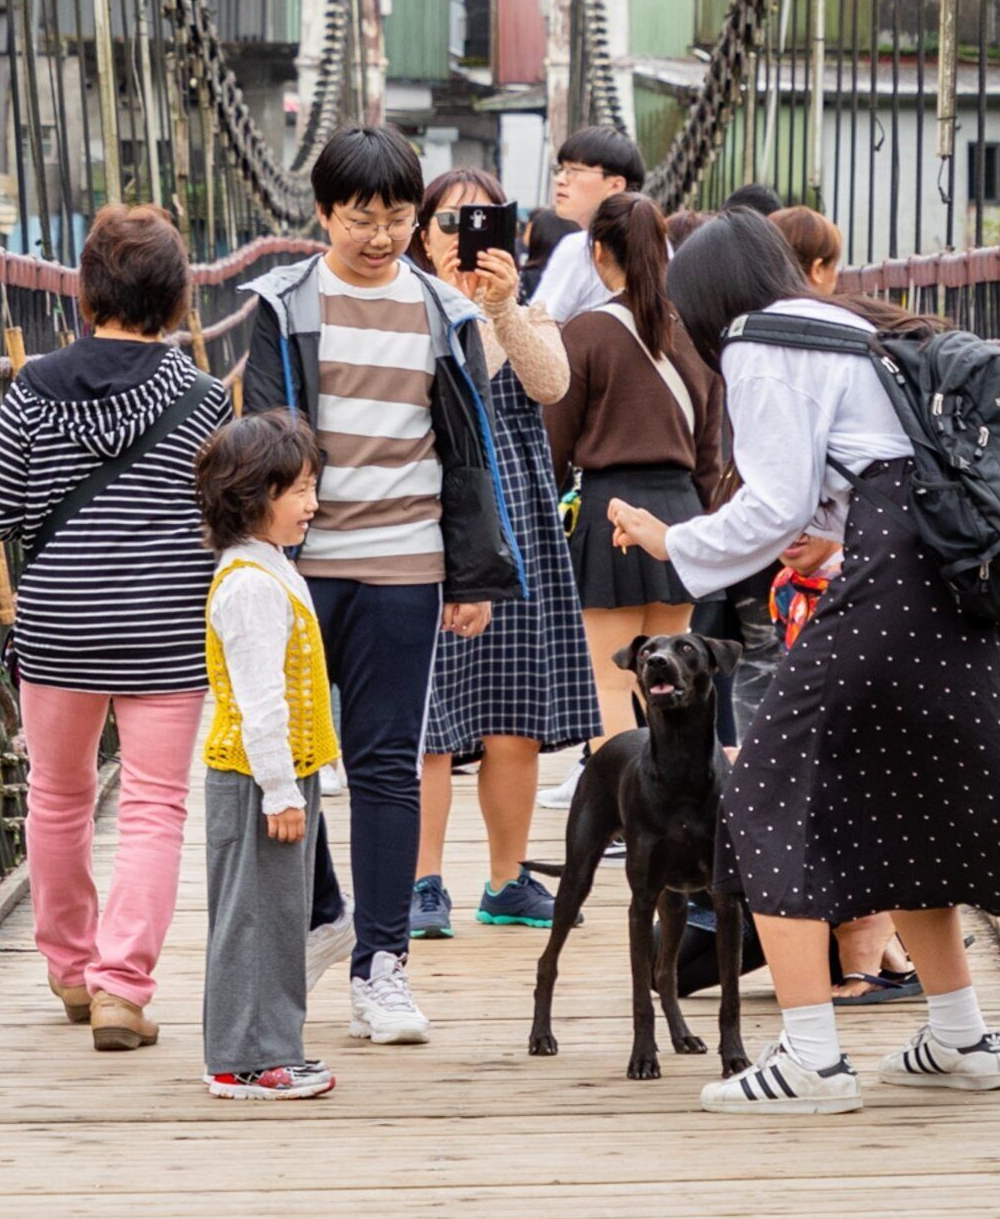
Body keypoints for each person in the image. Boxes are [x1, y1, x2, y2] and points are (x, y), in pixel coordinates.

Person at [606, 211, 1000, 1115]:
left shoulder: (756, 342)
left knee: (757, 799)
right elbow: (874, 477)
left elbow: (777, 496)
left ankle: (812, 1060)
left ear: (708, 301)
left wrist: (675, 539)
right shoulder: (850, 324)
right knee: (906, 799)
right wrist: (824, 543)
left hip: (888, 587)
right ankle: (960, 1034)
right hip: (942, 579)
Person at [231, 126, 521, 1047]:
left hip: (405, 563)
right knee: (292, 754)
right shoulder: (282, 306)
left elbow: (469, 452)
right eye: (361, 218)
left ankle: (381, 965)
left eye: (398, 216)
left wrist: (471, 571)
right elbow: (265, 444)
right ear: (322, 215)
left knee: (387, 760)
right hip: (301, 572)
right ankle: (325, 913)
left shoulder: (446, 312)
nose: (382, 235)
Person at [0, 204, 226, 1051]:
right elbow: (224, 521)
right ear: (179, 298)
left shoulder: (34, 385)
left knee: (58, 797)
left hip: (60, 629)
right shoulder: (204, 397)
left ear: (86, 291)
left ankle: (72, 970)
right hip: (165, 632)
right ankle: (122, 987)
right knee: (153, 807)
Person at [404, 167, 597, 935]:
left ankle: (507, 880)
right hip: (427, 517)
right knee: (428, 724)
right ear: (421, 236)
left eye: (480, 223)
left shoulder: (531, 312)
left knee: (512, 716)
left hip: (516, 522)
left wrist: (501, 308)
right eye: (449, 224)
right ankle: (421, 884)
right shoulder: (402, 313)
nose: (462, 239)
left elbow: (551, 386)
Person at [759, 205, 921, 1007]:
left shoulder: (799, 351)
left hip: (852, 598)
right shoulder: (862, 343)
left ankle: (855, 976)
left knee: (840, 790)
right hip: (879, 597)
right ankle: (882, 960)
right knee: (865, 789)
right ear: (819, 270)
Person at [194, 408, 341, 1101]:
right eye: (300, 490)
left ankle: (274, 1045)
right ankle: (242, 1059)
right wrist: (280, 791)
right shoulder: (251, 586)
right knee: (252, 918)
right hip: (258, 779)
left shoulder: (269, 567)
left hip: (283, 773)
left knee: (278, 915)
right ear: (254, 496)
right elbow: (260, 700)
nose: (313, 504)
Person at [541, 191, 719, 742]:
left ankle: (621, 819)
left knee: (612, 680)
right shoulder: (697, 330)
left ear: (597, 253)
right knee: (674, 678)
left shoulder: (585, 332)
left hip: (610, 515)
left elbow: (556, 445)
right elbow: (711, 450)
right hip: (681, 516)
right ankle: (689, 810)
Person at [530, 124, 644, 324]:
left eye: (574, 170)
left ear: (616, 185)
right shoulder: (656, 242)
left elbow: (535, 330)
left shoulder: (579, 248)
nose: (560, 180)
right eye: (561, 169)